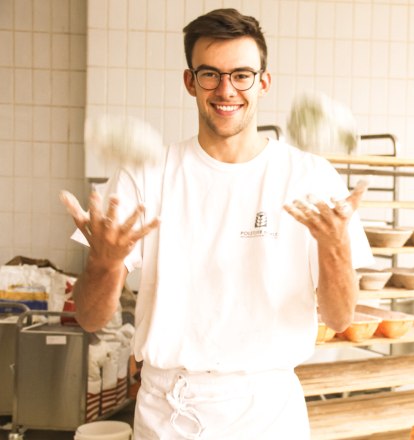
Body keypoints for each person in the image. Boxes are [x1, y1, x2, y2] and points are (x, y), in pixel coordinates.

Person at [60, 8, 373, 439]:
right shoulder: (146, 175)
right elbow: (92, 320)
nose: (227, 89)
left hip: (268, 414)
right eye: (210, 74)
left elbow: (340, 318)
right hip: (168, 414)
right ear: (190, 82)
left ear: (263, 81)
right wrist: (104, 263)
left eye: (242, 74)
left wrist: (335, 250)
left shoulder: (310, 177)